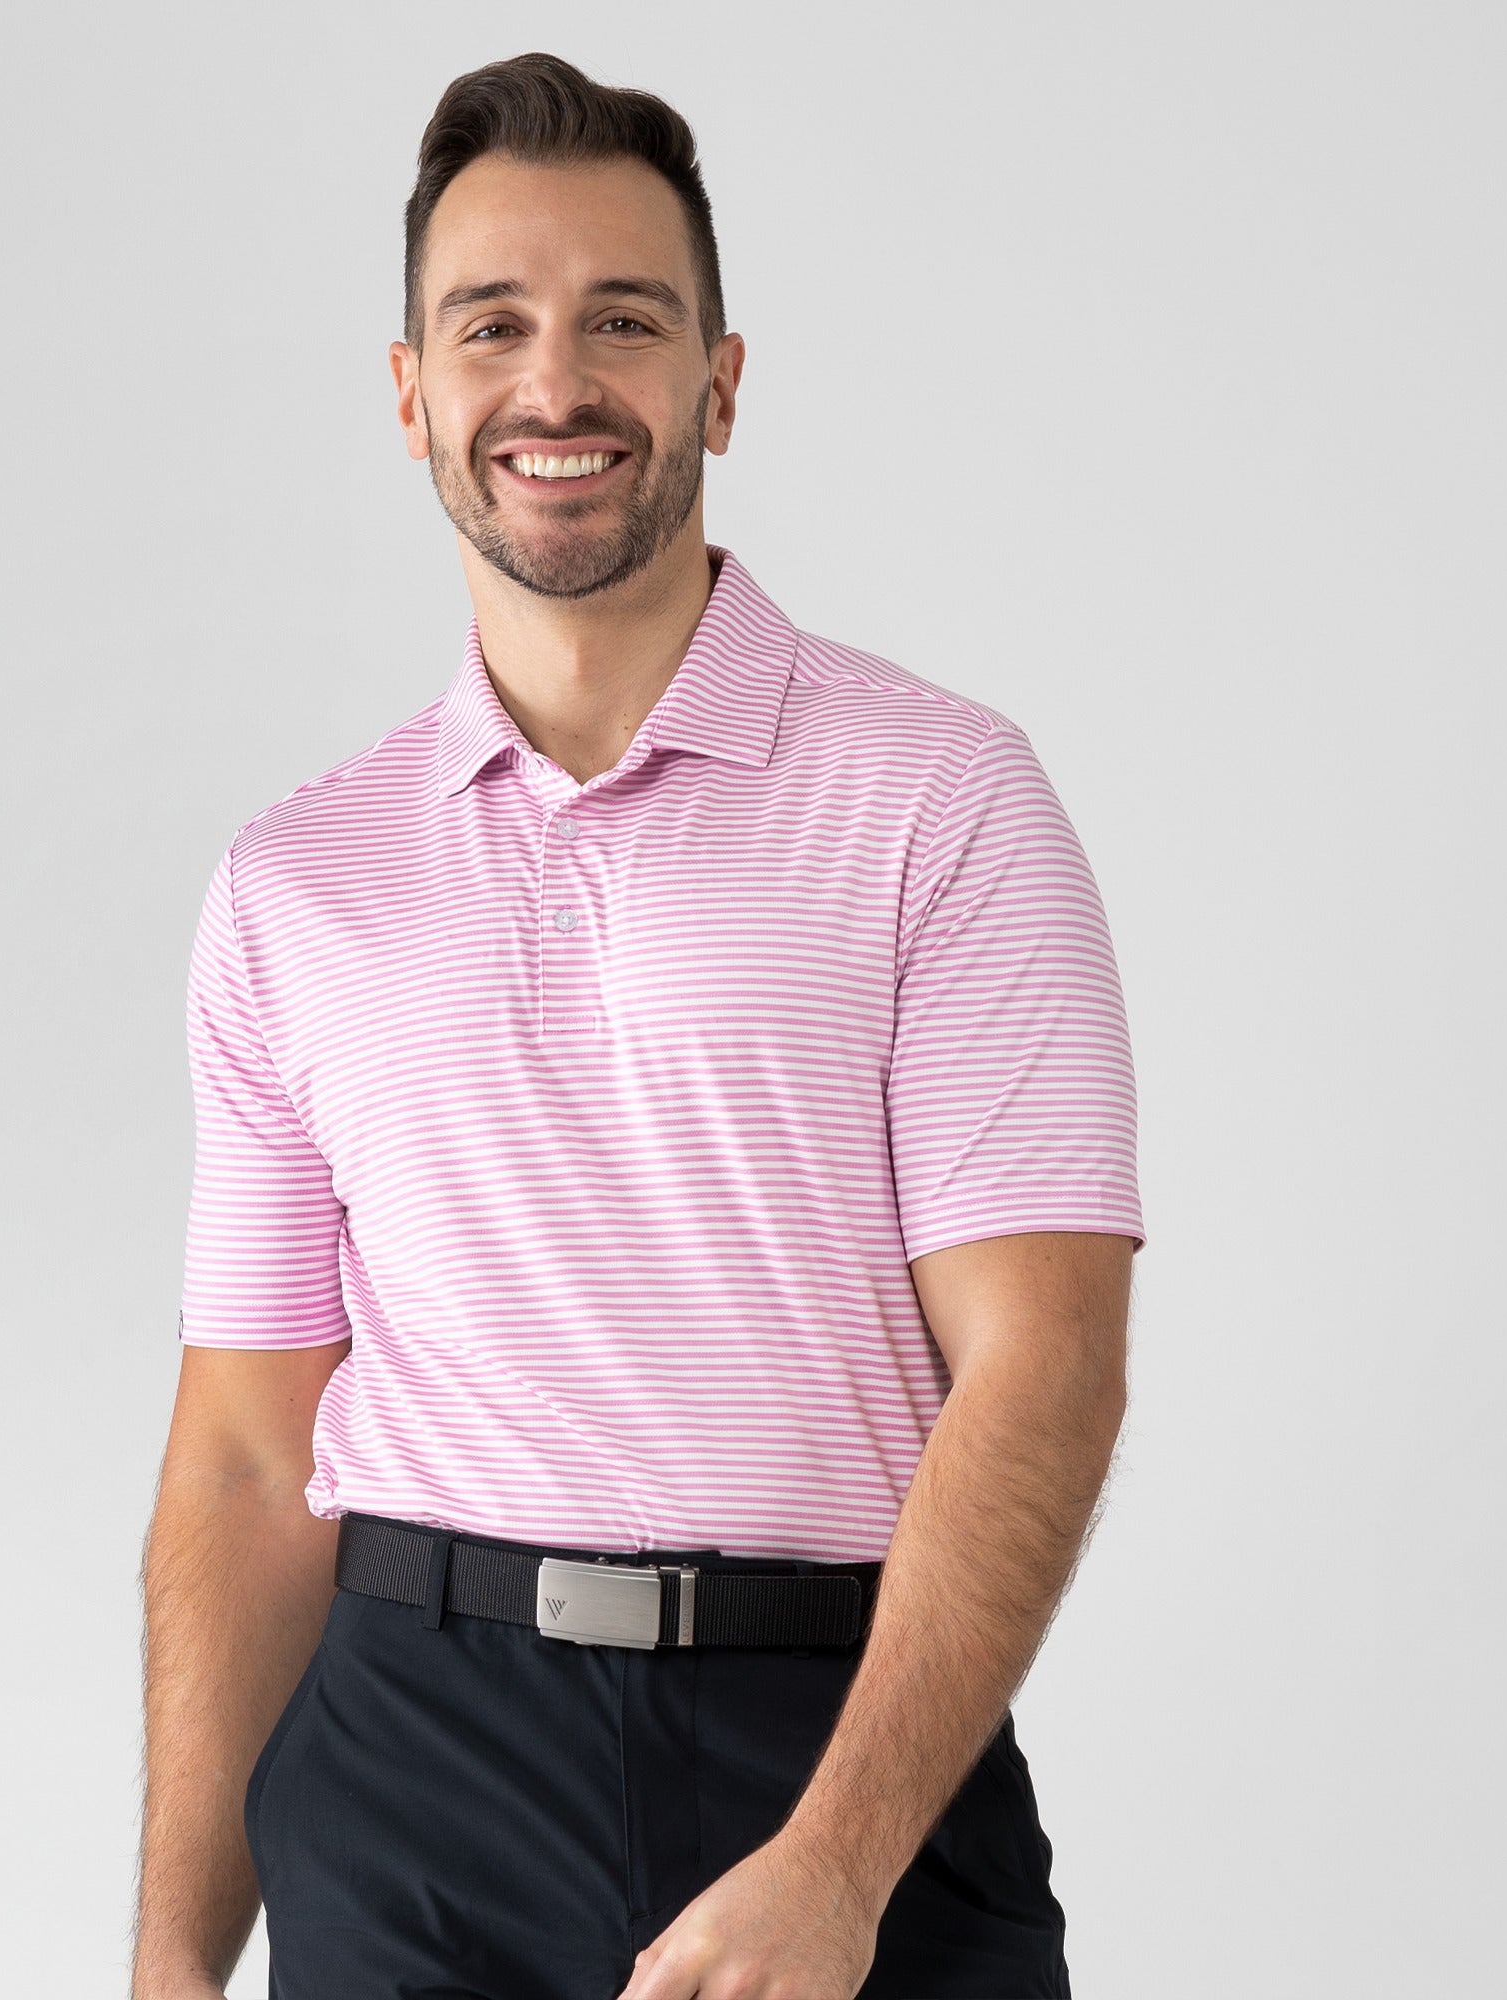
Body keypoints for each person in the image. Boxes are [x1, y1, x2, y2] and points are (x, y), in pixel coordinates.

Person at [132, 50, 1142, 2000]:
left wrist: (835, 1865)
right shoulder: (295, 884)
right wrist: (175, 1958)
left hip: (837, 1740)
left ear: (719, 384)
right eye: (490, 325)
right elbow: (249, 1458)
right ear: (413, 395)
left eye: (623, 320)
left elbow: (1045, 1365)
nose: (556, 382)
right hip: (410, 1761)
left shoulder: (942, 800)